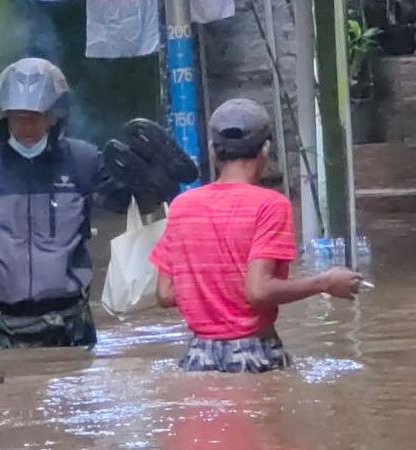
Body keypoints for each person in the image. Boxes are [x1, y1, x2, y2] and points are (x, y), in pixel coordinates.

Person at [149, 98, 362, 373]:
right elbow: (258, 291)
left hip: (197, 358)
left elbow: (165, 294)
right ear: (266, 149)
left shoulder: (182, 206)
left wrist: (211, 285)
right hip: (254, 354)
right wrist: (325, 281)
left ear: (213, 152)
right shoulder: (270, 205)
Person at [0, 58, 133, 351]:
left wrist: (138, 179)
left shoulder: (82, 159)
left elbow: (121, 201)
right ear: (3, 117)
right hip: (0, 319)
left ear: (54, 116)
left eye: (35, 117)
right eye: (17, 118)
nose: (25, 126)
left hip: (68, 320)